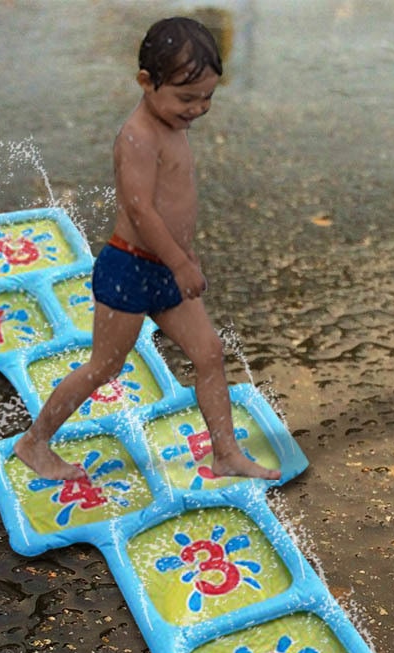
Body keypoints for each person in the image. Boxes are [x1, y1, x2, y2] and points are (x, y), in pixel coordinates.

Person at [15, 17, 281, 485]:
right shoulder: (138, 136)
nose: (198, 109)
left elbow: (174, 204)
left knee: (209, 354)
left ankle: (225, 453)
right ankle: (34, 441)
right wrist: (179, 262)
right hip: (130, 269)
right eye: (186, 97)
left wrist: (186, 255)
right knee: (105, 366)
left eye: (207, 97)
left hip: (167, 270)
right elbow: (141, 212)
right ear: (145, 82)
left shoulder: (173, 125)